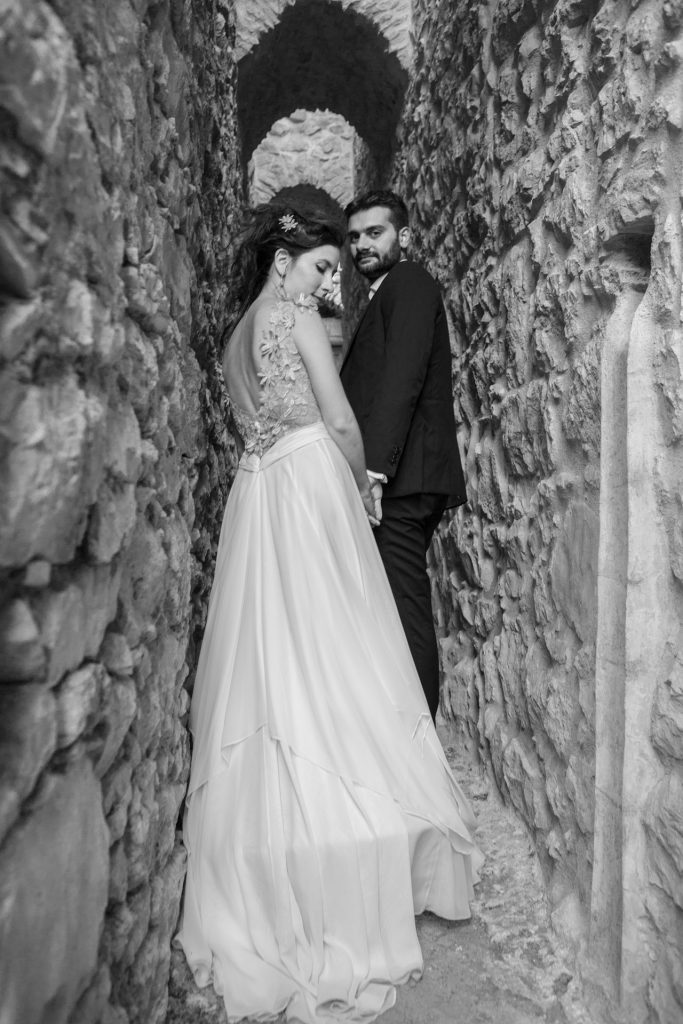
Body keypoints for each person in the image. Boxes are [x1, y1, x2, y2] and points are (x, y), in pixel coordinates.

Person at [175, 202, 481, 1024]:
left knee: (273, 647)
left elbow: (252, 423)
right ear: (286, 259)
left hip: (257, 491)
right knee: (339, 636)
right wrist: (357, 485)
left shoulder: (239, 334)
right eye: (320, 265)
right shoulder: (295, 316)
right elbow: (340, 417)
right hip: (310, 481)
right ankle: (355, 815)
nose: (328, 280)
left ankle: (268, 827)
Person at [340, 190, 467, 721]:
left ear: (404, 237)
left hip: (402, 480)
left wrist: (373, 472)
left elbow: (402, 381)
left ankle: (421, 744)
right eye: (354, 238)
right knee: (390, 607)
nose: (362, 245)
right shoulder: (382, 294)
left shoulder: (411, 283)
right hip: (399, 476)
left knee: (404, 605)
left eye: (375, 233)